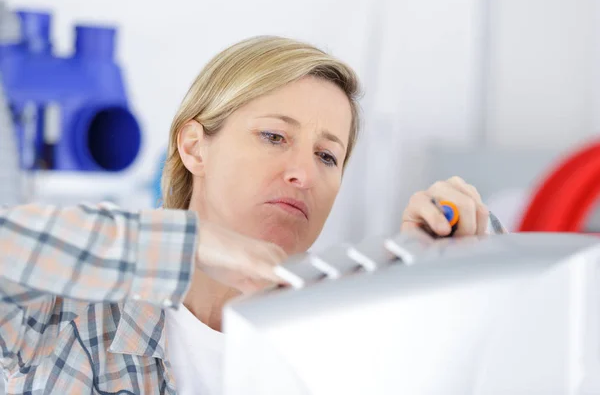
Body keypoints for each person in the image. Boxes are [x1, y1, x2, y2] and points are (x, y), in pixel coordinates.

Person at [0, 36, 491, 394]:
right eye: (274, 136)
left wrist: (438, 286)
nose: (303, 173)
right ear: (194, 147)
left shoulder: (350, 339)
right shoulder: (71, 312)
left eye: (327, 156)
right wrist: (187, 243)